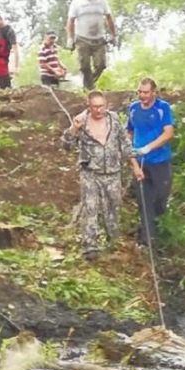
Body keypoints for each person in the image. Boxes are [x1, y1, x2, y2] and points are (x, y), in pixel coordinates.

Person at [62, 91, 134, 261]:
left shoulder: (114, 119)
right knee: (90, 207)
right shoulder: (81, 121)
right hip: (90, 172)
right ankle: (90, 246)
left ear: (106, 105)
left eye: (101, 106)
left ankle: (113, 239)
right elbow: (67, 146)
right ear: (89, 106)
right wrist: (73, 129)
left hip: (112, 171)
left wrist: (133, 162)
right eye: (95, 106)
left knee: (114, 204)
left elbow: (124, 142)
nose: (98, 110)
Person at [126, 78, 175, 251]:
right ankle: (148, 240)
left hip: (160, 161)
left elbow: (169, 133)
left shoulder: (163, 108)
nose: (142, 95)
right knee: (144, 200)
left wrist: (148, 148)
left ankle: (159, 230)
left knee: (161, 197)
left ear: (154, 92)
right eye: (140, 92)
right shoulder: (133, 109)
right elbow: (129, 134)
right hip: (140, 163)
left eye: (146, 92)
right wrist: (133, 160)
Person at [66, 0, 117, 90]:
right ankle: (88, 87)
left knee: (101, 65)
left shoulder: (101, 0)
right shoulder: (77, 2)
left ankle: (89, 84)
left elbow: (109, 18)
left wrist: (113, 35)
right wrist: (70, 38)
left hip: (99, 38)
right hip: (82, 38)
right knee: (84, 66)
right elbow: (70, 21)